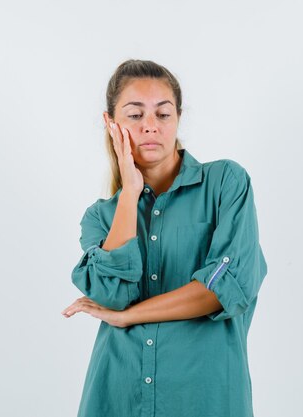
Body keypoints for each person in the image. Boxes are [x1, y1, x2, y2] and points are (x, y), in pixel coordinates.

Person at [61, 59, 268, 417]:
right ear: (111, 123)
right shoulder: (100, 216)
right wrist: (129, 194)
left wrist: (130, 317)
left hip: (205, 395)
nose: (150, 127)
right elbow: (112, 293)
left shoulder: (225, 184)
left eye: (163, 114)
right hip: (118, 395)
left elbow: (223, 287)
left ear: (178, 118)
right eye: (135, 115)